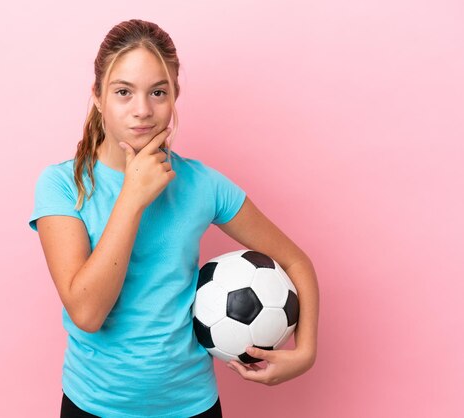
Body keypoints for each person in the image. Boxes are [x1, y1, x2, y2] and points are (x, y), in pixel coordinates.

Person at [29, 19, 319, 418]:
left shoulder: (203, 185)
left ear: (175, 96)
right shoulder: (63, 185)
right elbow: (87, 313)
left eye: (158, 92)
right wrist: (132, 197)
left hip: (191, 406)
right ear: (97, 96)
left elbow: (296, 261)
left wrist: (304, 354)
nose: (143, 110)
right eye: (123, 92)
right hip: (93, 406)